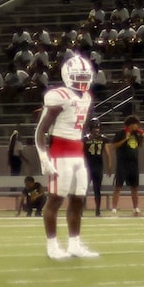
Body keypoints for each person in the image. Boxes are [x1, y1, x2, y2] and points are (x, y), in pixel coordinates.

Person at [35, 51, 100, 260]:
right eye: (78, 77)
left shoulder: (87, 97)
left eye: (84, 77)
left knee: (78, 199)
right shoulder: (59, 96)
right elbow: (40, 130)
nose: (82, 81)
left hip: (77, 153)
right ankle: (52, 245)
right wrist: (44, 157)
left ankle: (74, 244)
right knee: (55, 200)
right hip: (60, 153)